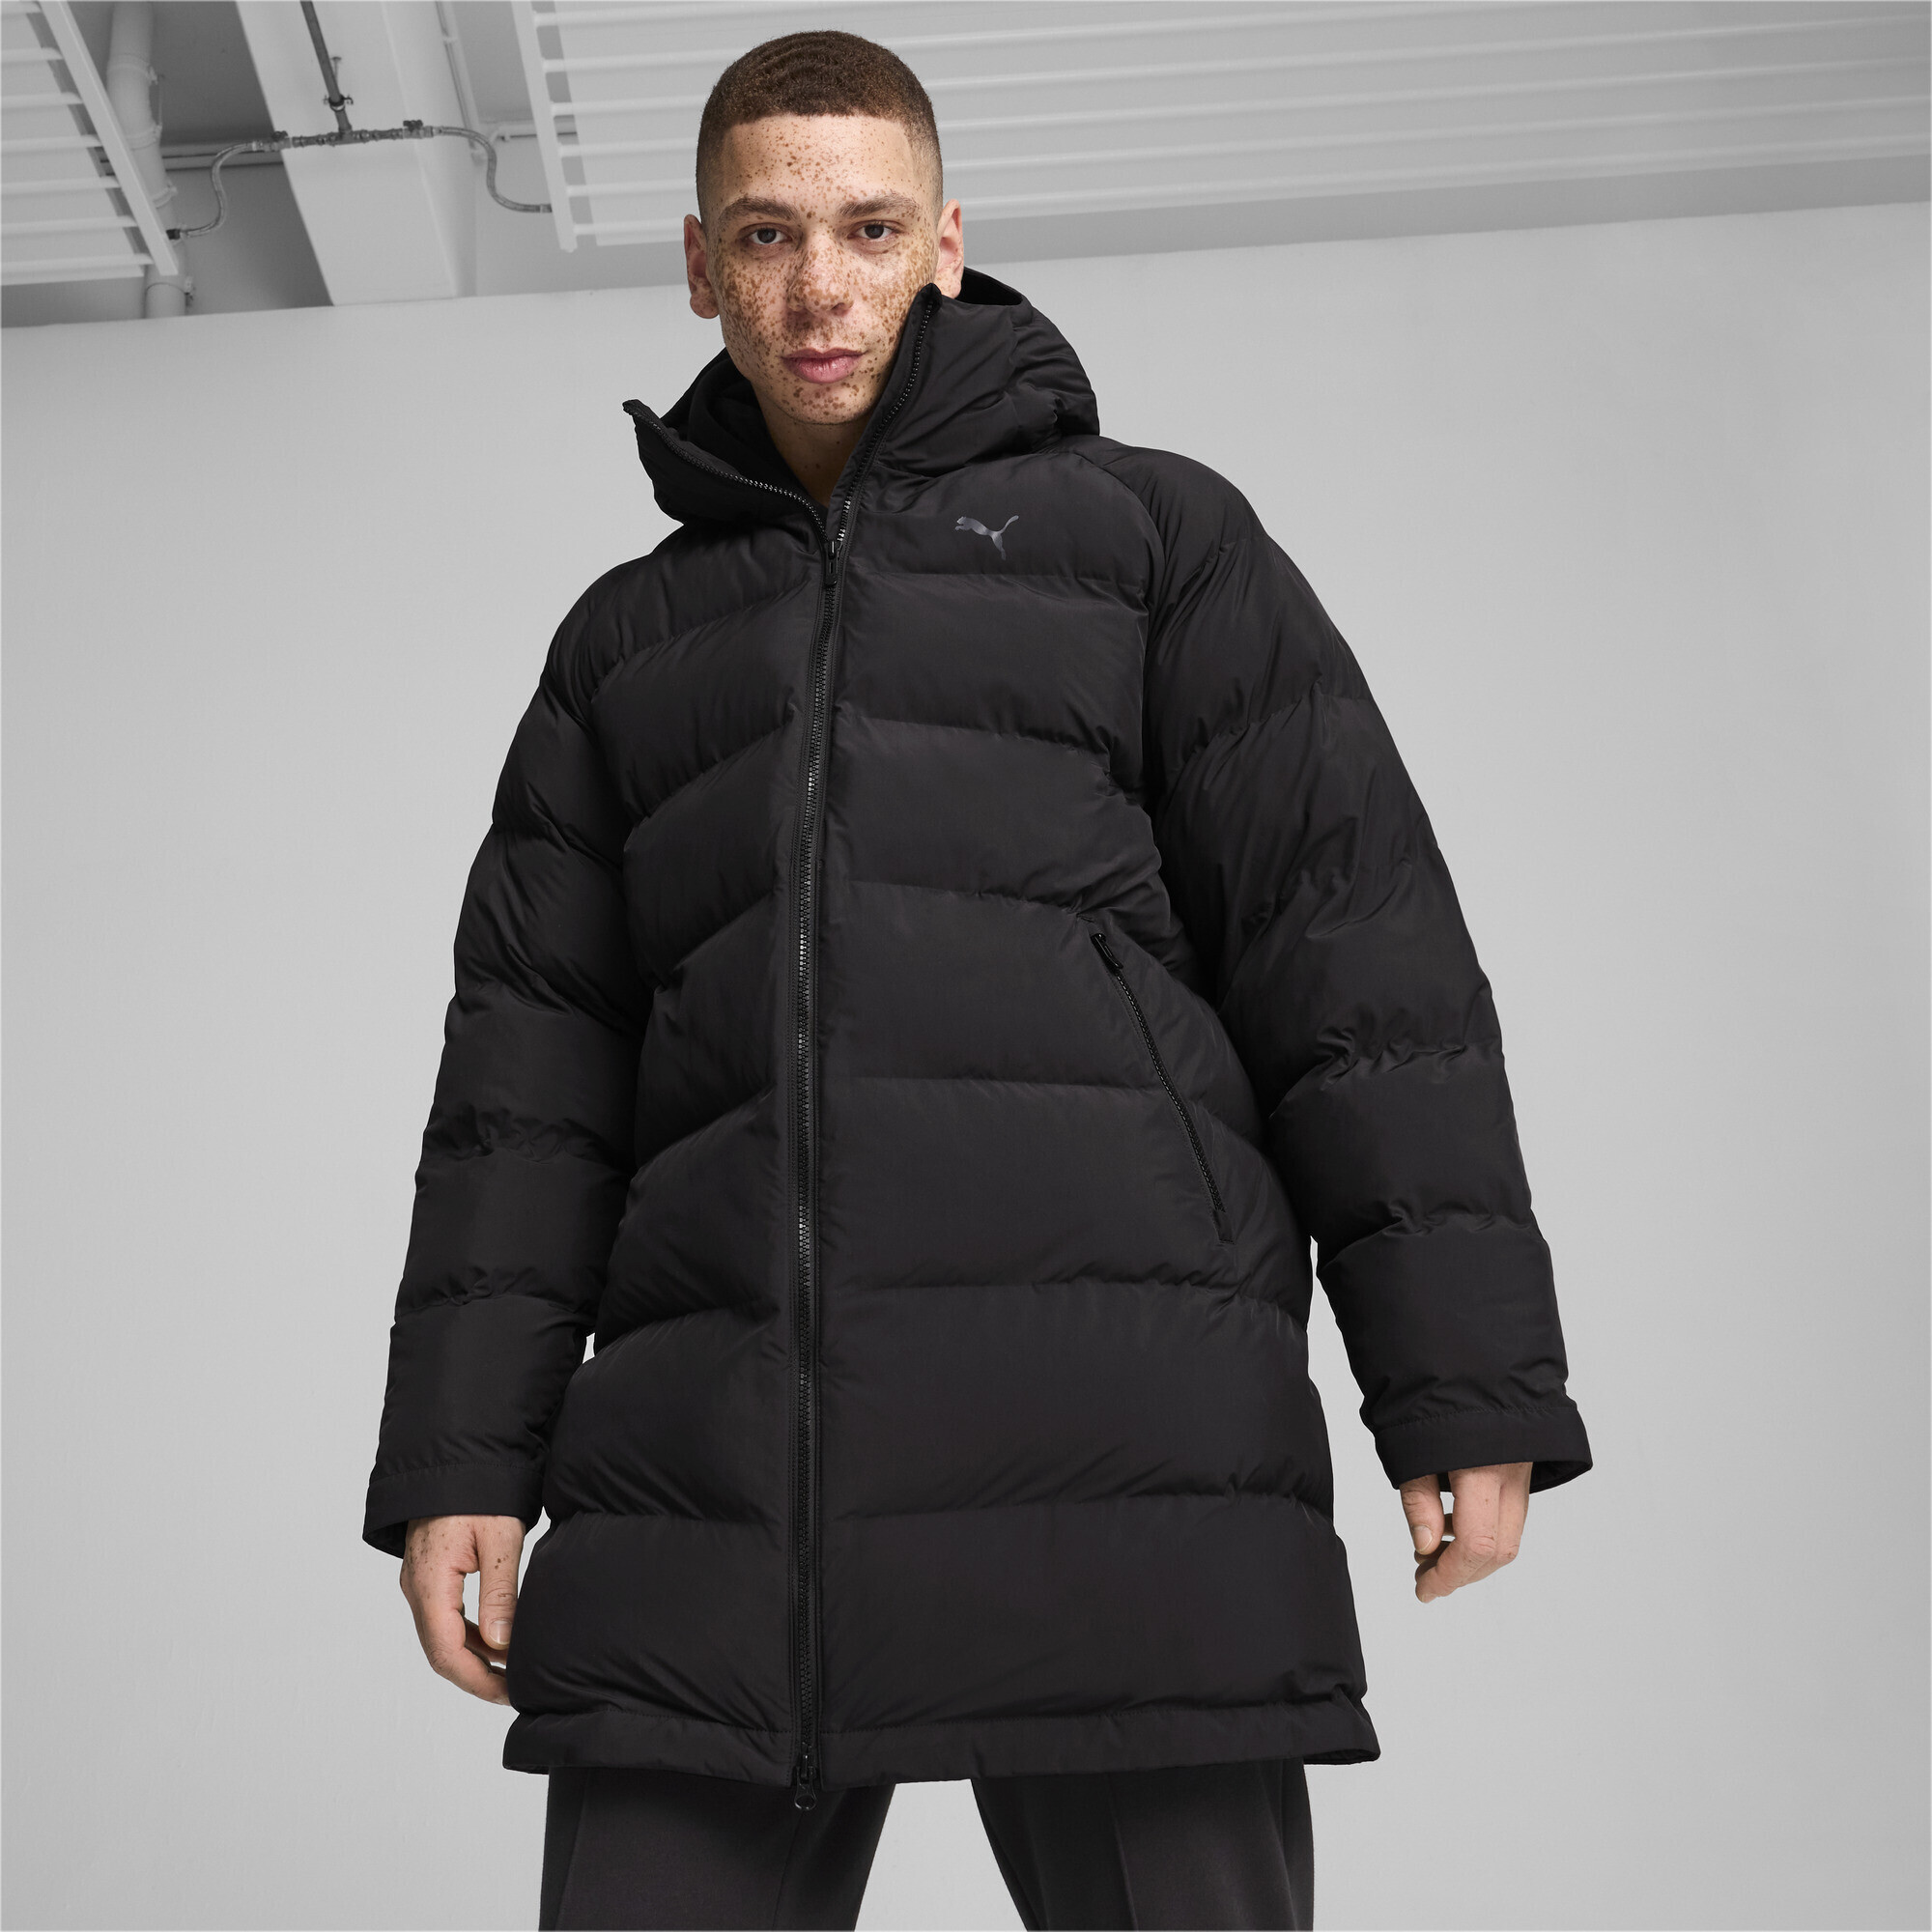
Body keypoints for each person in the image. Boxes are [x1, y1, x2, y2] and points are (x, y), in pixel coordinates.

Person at [362, 30, 1592, 1931]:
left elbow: (1353, 954)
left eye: (868, 228)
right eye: (766, 234)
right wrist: (465, 1454)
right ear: (697, 264)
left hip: (1126, 1453)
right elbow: (530, 1083)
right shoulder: (625, 648)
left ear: (945, 243)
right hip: (724, 1490)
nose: (819, 285)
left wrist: (1456, 1378)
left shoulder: (1152, 541)